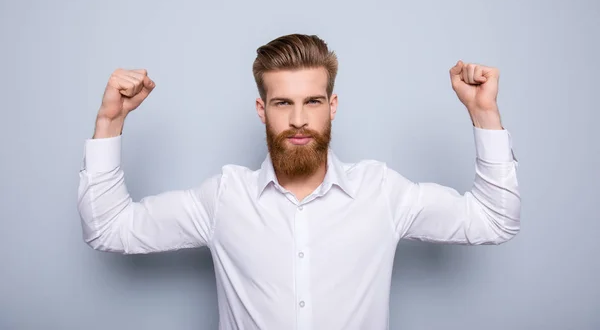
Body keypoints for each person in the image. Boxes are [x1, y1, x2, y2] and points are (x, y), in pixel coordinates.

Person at [77, 33, 520, 330]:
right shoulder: (224, 199)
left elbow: (493, 222)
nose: (298, 119)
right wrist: (109, 121)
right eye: (282, 102)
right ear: (261, 108)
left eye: (312, 101)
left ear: (333, 105)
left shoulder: (382, 192)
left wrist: (483, 113)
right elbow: (109, 229)